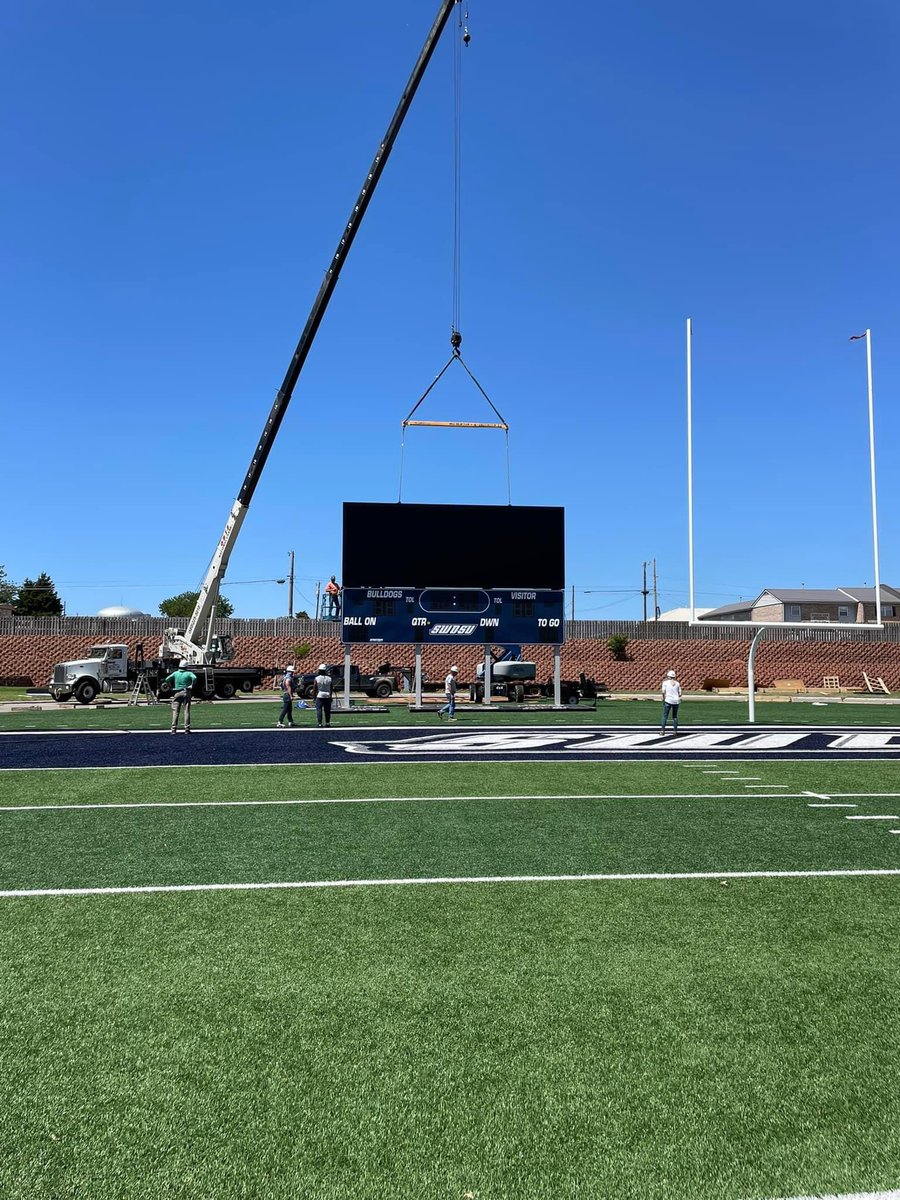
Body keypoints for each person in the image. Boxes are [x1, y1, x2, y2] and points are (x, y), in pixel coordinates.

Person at [164, 658, 197, 734]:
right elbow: (194, 678)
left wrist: (170, 687)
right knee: (186, 710)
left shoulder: (176, 673)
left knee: (175, 711)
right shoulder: (188, 673)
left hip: (177, 692)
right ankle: (186, 728)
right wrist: (192, 685)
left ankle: (173, 729)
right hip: (185, 691)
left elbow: (167, 679)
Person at [660, 668, 682, 734]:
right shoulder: (677, 683)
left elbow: (663, 692)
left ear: (668, 676)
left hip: (668, 700)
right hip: (676, 701)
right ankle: (675, 731)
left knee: (665, 716)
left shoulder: (665, 683)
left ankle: (662, 731)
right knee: (675, 716)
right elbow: (680, 694)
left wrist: (663, 698)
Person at [314, 662, 333, 727]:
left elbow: (314, 688)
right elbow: (331, 688)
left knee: (319, 710)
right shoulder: (329, 678)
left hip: (319, 695)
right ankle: (327, 723)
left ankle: (320, 723)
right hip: (327, 695)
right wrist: (331, 696)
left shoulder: (317, 678)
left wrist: (314, 697)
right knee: (327, 710)